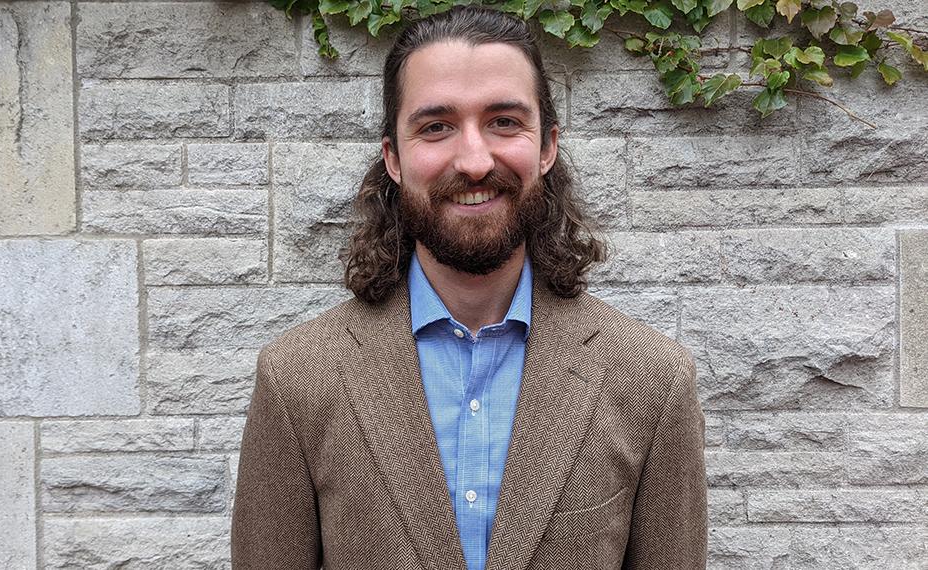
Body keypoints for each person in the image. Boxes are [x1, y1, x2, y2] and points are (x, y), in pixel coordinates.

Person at [231, 5, 707, 569]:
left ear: (547, 147)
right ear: (394, 158)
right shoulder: (297, 379)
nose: (476, 160)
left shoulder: (652, 380)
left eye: (505, 121)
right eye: (436, 127)